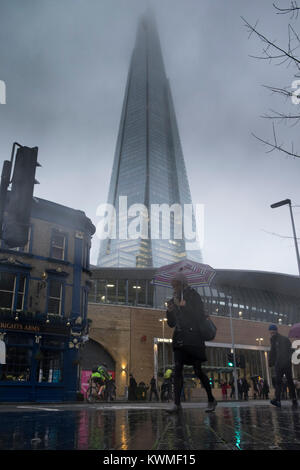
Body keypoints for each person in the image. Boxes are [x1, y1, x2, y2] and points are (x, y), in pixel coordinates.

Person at [166, 270, 217, 413]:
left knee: (198, 370)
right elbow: (171, 323)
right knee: (177, 369)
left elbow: (199, 315)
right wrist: (170, 310)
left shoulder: (194, 295)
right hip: (179, 339)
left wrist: (184, 306)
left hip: (194, 339)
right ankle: (177, 404)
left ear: (183, 284)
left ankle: (211, 399)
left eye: (176, 285)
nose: (174, 288)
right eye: (173, 285)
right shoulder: (173, 299)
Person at [268, 324, 298, 409]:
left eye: (273, 331)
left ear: (276, 331)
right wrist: (271, 361)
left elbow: (291, 350)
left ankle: (294, 399)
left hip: (286, 364)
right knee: (278, 382)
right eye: (270, 332)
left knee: (290, 382)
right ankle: (277, 400)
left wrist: (288, 360)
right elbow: (273, 351)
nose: (272, 333)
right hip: (278, 364)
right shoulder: (272, 339)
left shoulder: (284, 339)